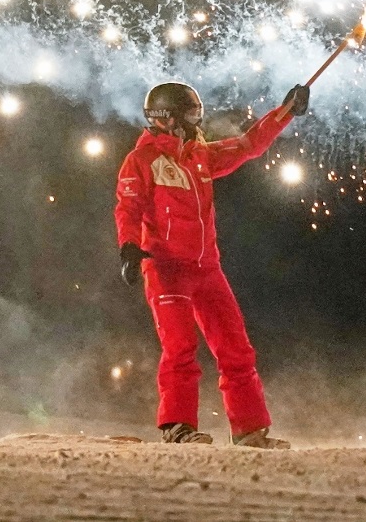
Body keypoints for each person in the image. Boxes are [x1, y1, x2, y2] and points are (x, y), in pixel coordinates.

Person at [115, 81, 310, 447]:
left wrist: (285, 113)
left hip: (207, 268)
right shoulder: (142, 160)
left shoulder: (199, 155)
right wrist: (128, 247)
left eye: (197, 112)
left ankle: (250, 430)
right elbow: (128, 208)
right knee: (180, 346)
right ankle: (177, 426)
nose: (197, 120)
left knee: (235, 348)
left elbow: (249, 145)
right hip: (167, 268)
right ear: (166, 118)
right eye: (190, 113)